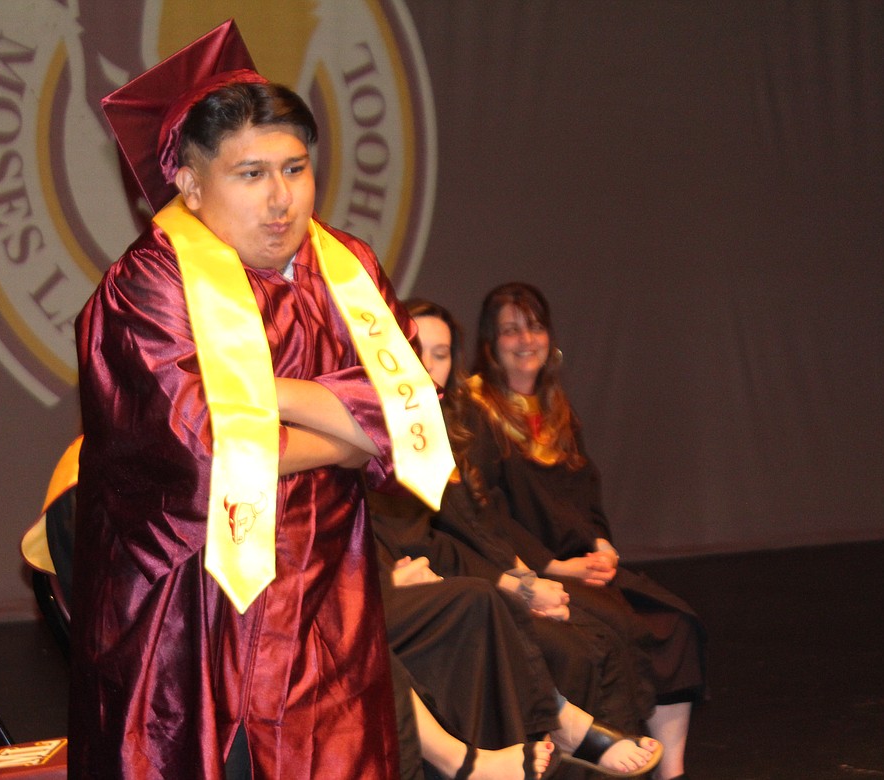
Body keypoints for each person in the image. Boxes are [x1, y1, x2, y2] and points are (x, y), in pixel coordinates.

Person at [70, 22, 453, 780]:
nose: (282, 200)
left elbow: (411, 416)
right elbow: (208, 456)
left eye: (296, 168)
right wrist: (347, 432)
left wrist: (270, 396)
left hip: (327, 601)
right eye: (250, 175)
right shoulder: (149, 287)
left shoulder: (347, 268)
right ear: (189, 183)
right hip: (193, 610)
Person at [373, 299, 663, 779]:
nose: (427, 367)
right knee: (514, 619)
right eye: (414, 351)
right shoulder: (367, 437)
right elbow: (396, 540)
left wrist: (529, 575)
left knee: (616, 625)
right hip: (403, 590)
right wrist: (529, 577)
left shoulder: (451, 426)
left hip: (467, 573)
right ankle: (560, 725)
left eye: (441, 354)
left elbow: (479, 527)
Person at [448, 282, 707, 780]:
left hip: (581, 561)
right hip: (534, 568)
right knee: (619, 634)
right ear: (489, 342)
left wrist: (602, 543)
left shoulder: (557, 407)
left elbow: (586, 491)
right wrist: (555, 566)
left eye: (535, 326)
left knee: (676, 624)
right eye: (510, 330)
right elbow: (488, 513)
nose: (526, 339)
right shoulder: (477, 411)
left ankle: (670, 771)